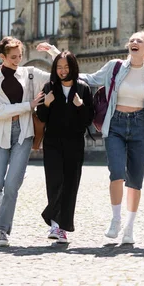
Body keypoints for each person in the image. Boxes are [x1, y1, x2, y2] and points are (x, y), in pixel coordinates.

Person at [80, 31, 144, 244]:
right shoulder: (114, 66)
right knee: (116, 172)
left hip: (140, 125)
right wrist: (61, 66)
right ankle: (115, 220)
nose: (134, 42)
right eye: (132, 40)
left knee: (135, 178)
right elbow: (90, 79)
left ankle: (129, 227)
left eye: (139, 41)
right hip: (115, 123)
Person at [0, 36, 59, 247]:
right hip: (0, 135)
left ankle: (2, 231)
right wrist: (28, 105)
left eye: (20, 56)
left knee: (11, 187)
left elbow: (60, 72)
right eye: (13, 57)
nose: (18, 60)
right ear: (2, 56)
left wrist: (52, 52)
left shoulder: (31, 74)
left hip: (24, 134)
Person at [36, 51, 93, 244]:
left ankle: (62, 227)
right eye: (59, 67)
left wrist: (81, 105)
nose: (62, 71)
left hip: (75, 144)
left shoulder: (83, 89)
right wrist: (46, 104)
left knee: (70, 184)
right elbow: (42, 117)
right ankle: (54, 225)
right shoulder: (49, 87)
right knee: (54, 182)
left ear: (73, 68)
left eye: (66, 67)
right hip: (52, 142)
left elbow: (88, 120)